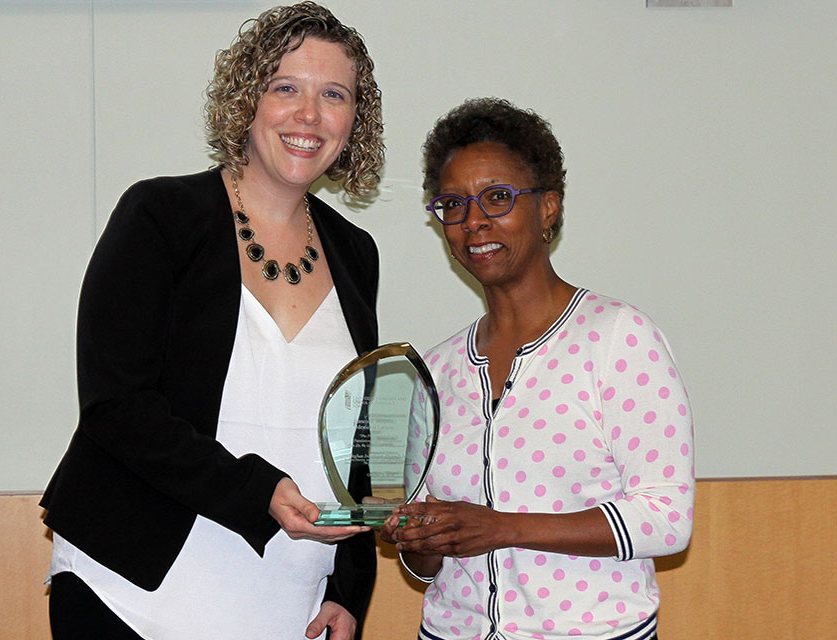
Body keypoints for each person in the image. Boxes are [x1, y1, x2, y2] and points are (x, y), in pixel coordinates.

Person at [39, 3, 385, 639]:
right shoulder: (160, 215)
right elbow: (117, 407)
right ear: (247, 101)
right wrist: (257, 491)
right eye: (286, 88)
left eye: (333, 95)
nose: (309, 115)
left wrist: (350, 587)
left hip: (290, 604)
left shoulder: (356, 253)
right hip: (131, 592)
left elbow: (358, 443)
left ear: (353, 120)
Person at [380, 98, 694, 640]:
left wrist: (500, 528)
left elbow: (667, 518)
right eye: (452, 204)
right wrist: (421, 541)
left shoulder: (616, 337)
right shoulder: (434, 370)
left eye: (497, 198)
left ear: (548, 207)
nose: (473, 221)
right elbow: (425, 567)